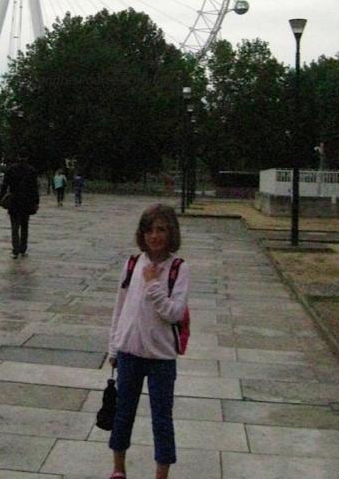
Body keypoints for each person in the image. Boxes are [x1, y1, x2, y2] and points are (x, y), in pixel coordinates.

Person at [107, 203, 190, 479]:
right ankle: (118, 468)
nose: (155, 236)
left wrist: (154, 285)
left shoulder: (178, 268)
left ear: (171, 233)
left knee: (162, 419)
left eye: (161, 230)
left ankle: (161, 474)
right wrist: (113, 347)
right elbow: (120, 308)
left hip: (161, 358)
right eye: (150, 230)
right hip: (129, 351)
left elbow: (175, 313)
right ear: (142, 233)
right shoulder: (133, 263)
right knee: (123, 414)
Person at [0, 154, 39, 258]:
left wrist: (1, 198)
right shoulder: (31, 170)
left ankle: (15, 249)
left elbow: (4, 185)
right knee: (24, 225)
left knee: (14, 226)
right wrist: (36, 202)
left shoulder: (11, 169)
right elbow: (35, 188)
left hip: (14, 200)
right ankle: (23, 248)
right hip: (27, 201)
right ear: (27, 158)